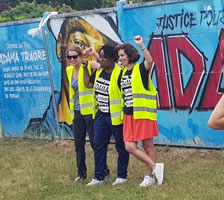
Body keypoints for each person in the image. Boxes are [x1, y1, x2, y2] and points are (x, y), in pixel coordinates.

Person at [117, 35, 164, 187]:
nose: (121, 58)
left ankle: (150, 176)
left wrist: (141, 45)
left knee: (148, 146)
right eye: (119, 56)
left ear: (129, 55)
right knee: (129, 146)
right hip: (129, 115)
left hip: (143, 114)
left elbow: (149, 61)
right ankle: (156, 167)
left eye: (122, 55)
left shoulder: (140, 69)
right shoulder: (122, 73)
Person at [83, 45, 129, 186]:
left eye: (104, 57)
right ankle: (99, 176)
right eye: (100, 56)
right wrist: (85, 68)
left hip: (115, 116)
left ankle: (122, 175)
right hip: (100, 115)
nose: (100, 59)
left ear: (113, 59)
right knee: (98, 145)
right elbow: (88, 85)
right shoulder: (98, 72)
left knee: (121, 146)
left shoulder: (120, 73)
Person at [65, 46, 100, 182]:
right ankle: (81, 173)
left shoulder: (89, 65)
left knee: (94, 143)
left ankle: (102, 170)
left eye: (75, 56)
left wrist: (94, 54)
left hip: (90, 111)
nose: (72, 59)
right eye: (70, 57)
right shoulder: (69, 70)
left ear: (80, 57)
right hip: (77, 112)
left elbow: (102, 67)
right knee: (78, 144)